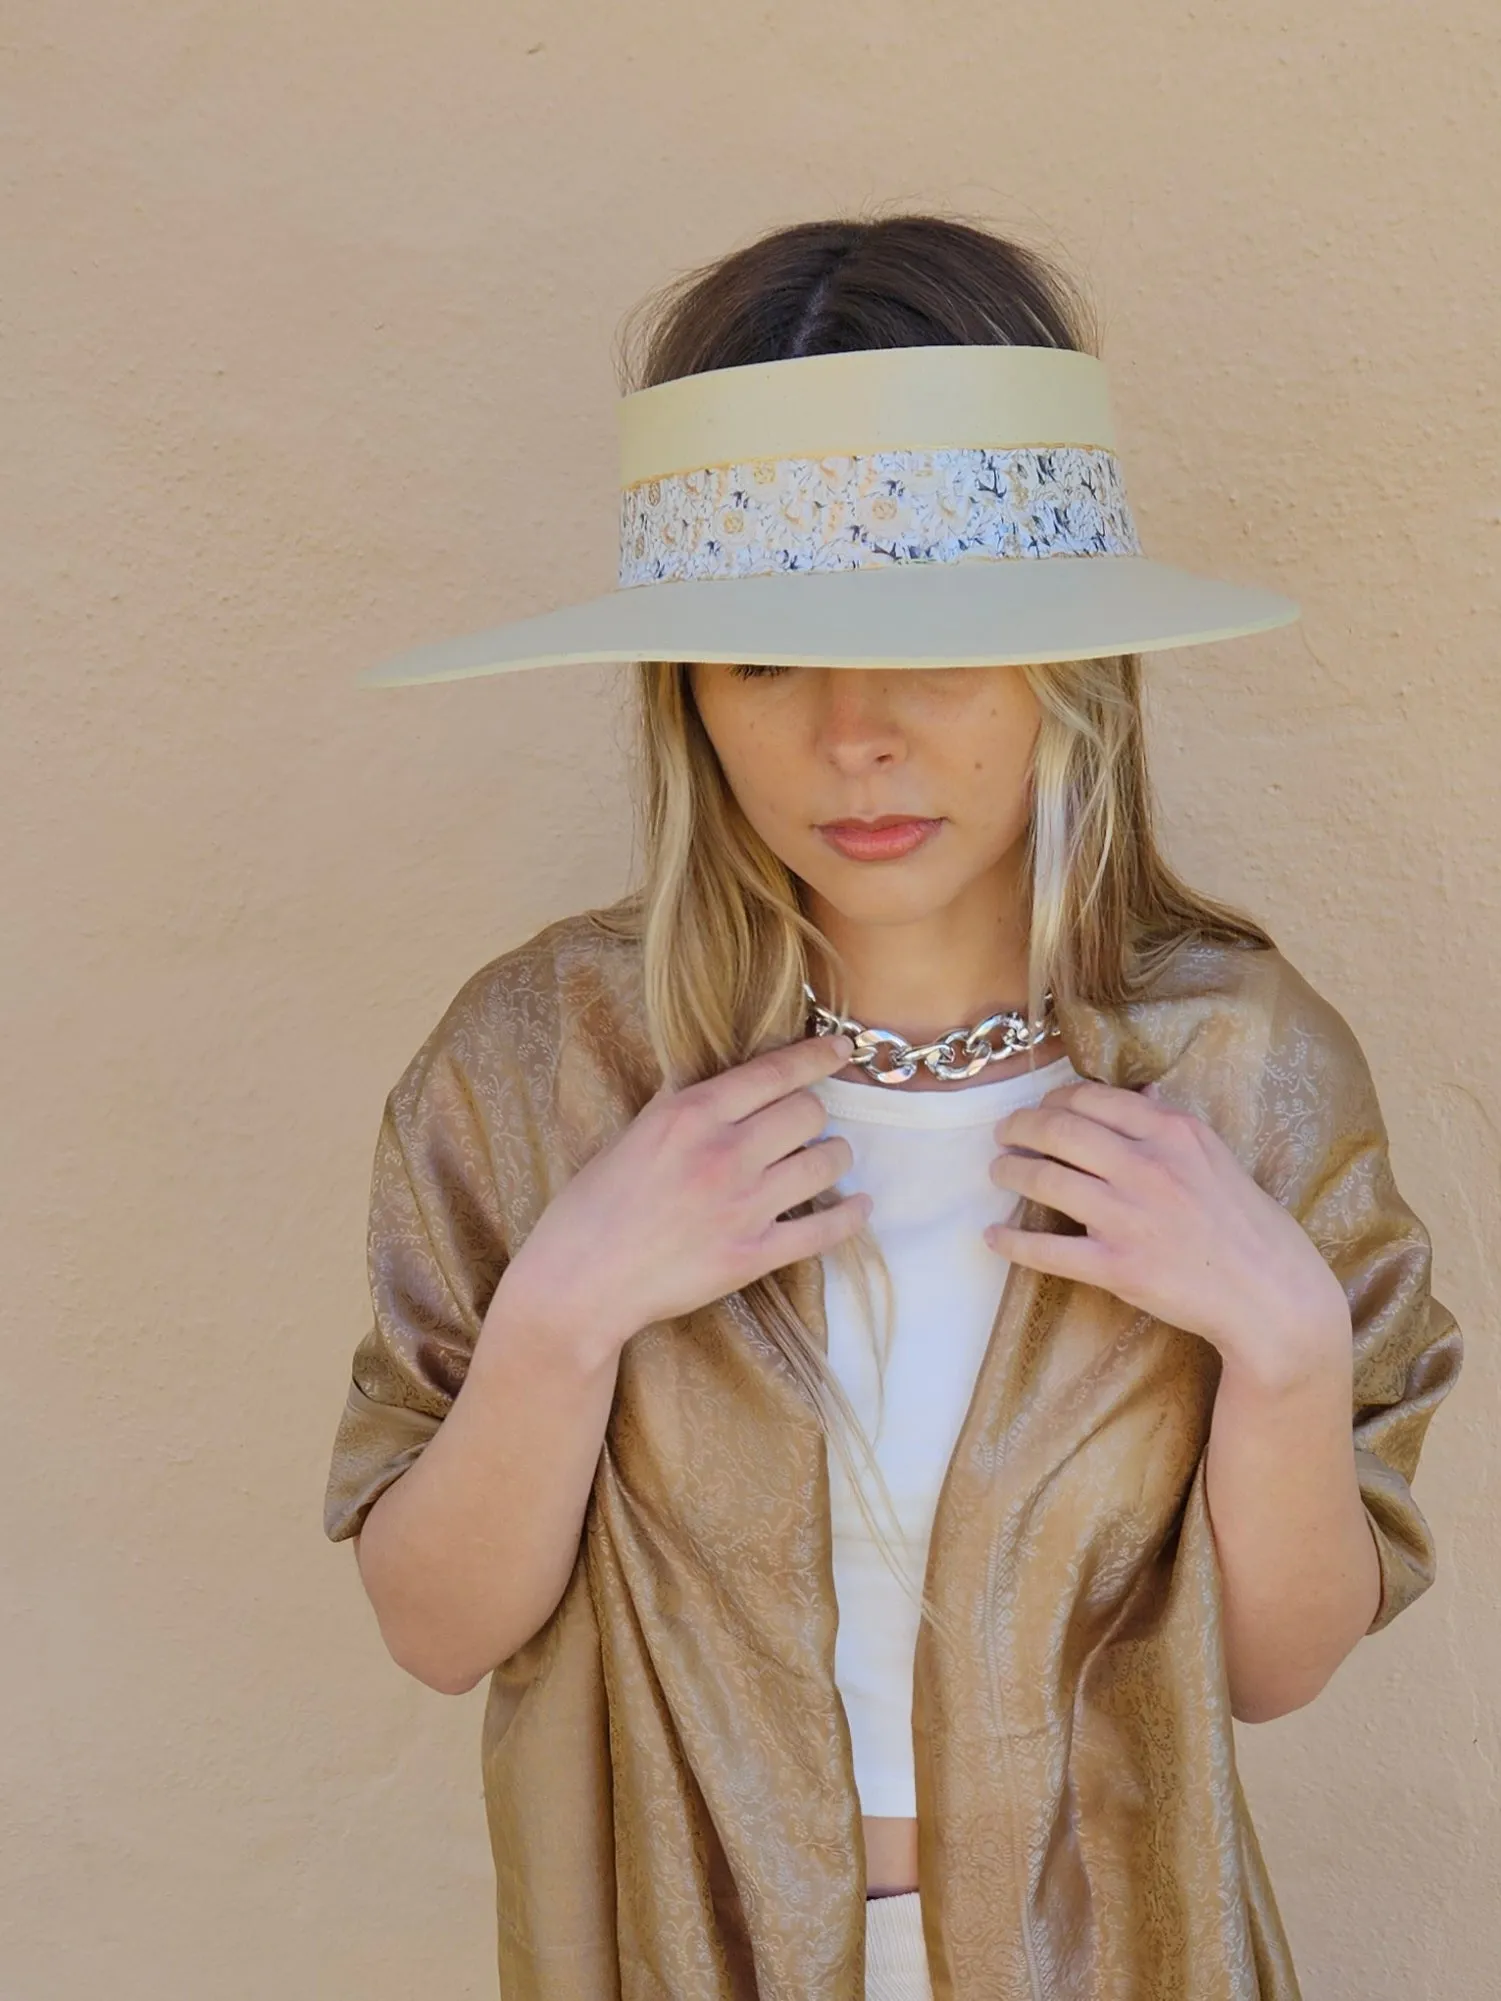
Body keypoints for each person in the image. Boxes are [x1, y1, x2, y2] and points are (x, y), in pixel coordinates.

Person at [322, 214, 1462, 2001]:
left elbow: (1272, 1667)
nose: (854, 735)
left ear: (1068, 666)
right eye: (769, 657)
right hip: (675, 1957)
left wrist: (1289, 1346)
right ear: (688, 697)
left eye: (936, 641)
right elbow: (436, 1625)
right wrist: (565, 1310)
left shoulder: (1234, 1065)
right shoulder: (547, 1062)